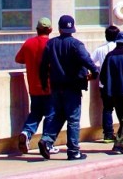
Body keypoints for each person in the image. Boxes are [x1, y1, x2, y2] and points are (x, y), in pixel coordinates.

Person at [38, 14, 99, 161]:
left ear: (59, 28)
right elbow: (87, 60)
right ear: (72, 29)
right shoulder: (76, 44)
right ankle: (73, 151)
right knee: (73, 119)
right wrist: (95, 72)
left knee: (59, 116)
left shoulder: (50, 44)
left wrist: (44, 83)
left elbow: (43, 66)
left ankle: (46, 140)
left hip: (56, 86)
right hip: (73, 87)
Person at [15, 17, 59, 155]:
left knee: (35, 113)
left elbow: (18, 59)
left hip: (33, 87)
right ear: (50, 30)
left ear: (37, 29)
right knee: (51, 115)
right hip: (50, 86)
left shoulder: (29, 43)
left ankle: (26, 132)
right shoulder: (52, 44)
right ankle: (47, 142)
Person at [91, 25, 120, 142]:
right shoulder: (120, 48)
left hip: (104, 83)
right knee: (121, 109)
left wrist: (97, 69)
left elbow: (90, 61)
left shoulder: (100, 49)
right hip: (119, 84)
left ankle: (108, 134)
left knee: (107, 109)